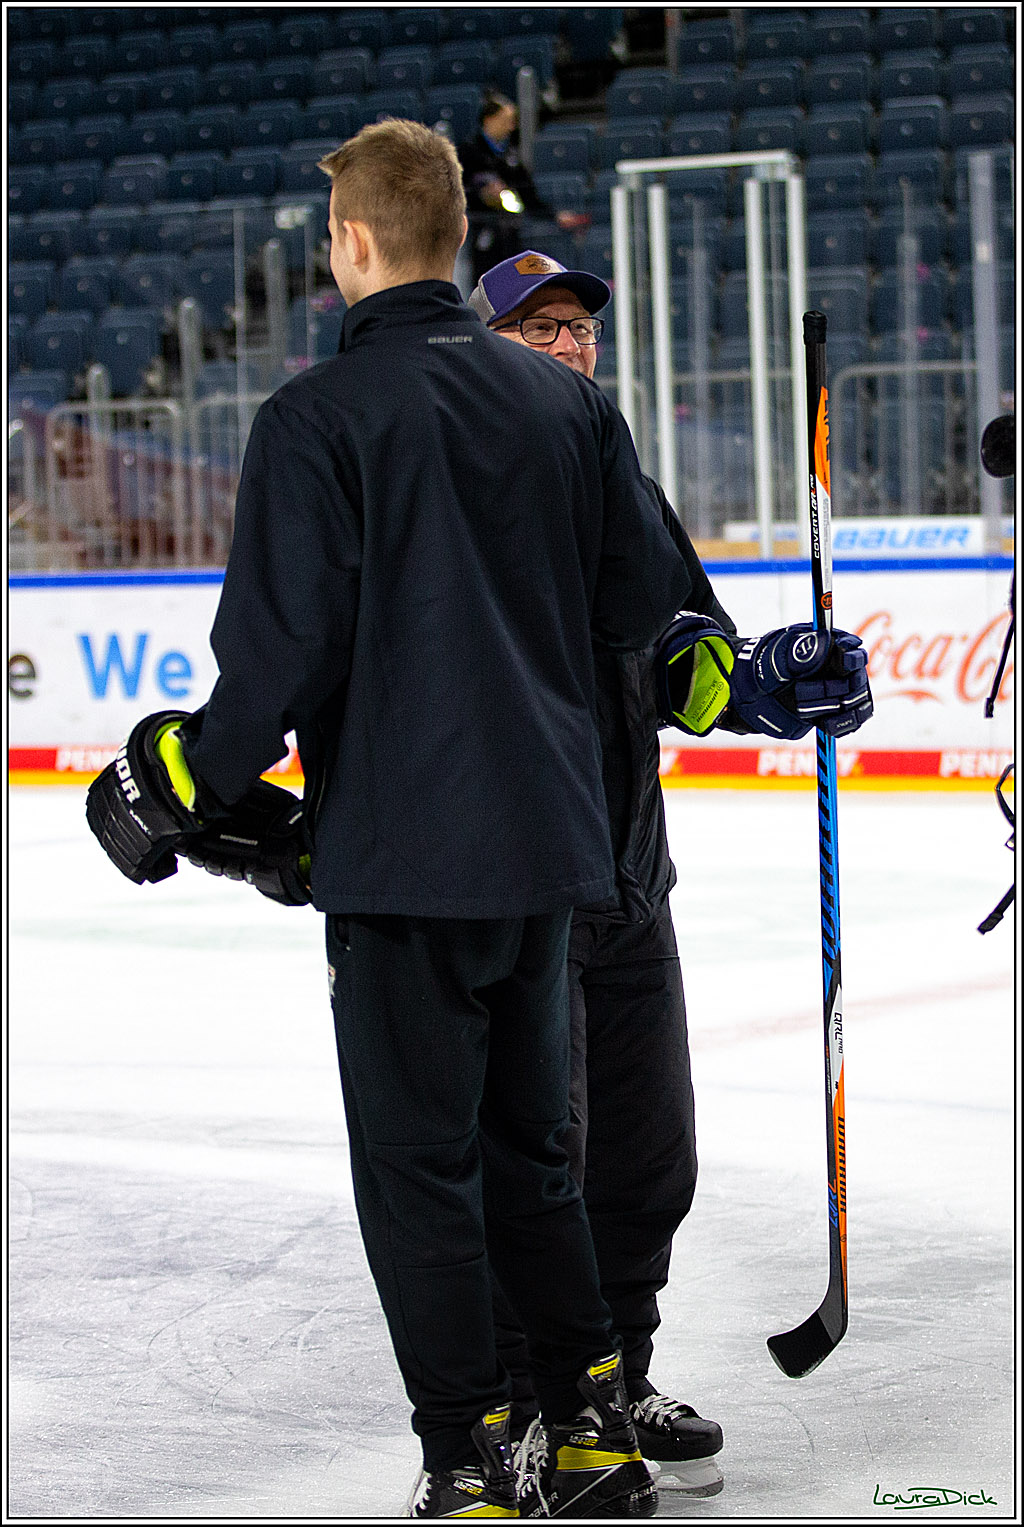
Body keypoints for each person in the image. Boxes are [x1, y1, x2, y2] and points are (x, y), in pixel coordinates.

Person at [84, 120, 715, 1521]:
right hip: (556, 857)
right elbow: (653, 627)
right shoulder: (569, 410)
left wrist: (166, 786)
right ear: (455, 238)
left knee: (424, 1173)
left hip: (404, 870)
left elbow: (276, 671)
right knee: (537, 1159)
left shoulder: (314, 418)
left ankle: (474, 1456)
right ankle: (594, 1423)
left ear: (352, 244)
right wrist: (753, 673)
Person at [466, 250, 874, 1497]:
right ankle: (529, 1408)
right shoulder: (456, 484)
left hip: (628, 880)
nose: (567, 346)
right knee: (542, 1161)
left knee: (648, 1161)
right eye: (536, 328)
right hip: (512, 888)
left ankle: (617, 1380)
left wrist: (769, 680)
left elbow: (676, 649)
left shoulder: (611, 475)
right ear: (483, 347)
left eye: (578, 327)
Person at [458, 93, 586, 284]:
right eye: (505, 121)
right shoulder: (468, 152)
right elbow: (456, 192)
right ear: (489, 120)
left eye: (512, 121)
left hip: (510, 233)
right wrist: (481, 196)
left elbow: (527, 194)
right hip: (479, 233)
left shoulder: (511, 155)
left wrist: (554, 216)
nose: (511, 127)